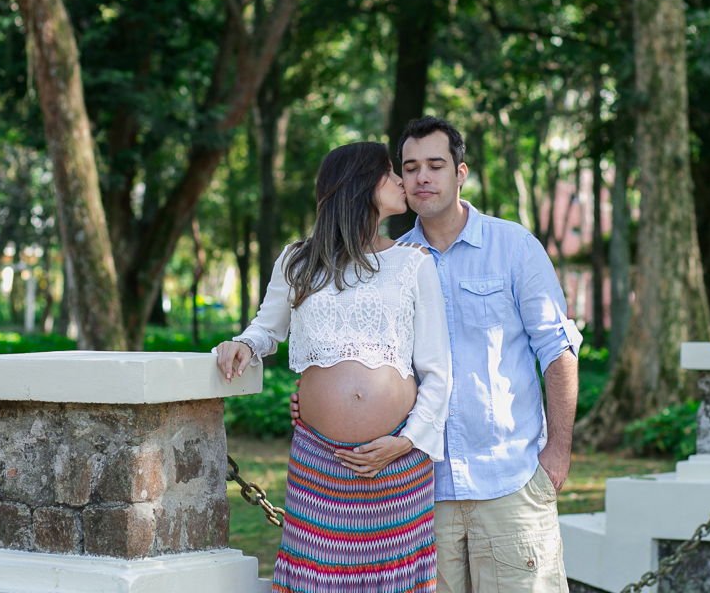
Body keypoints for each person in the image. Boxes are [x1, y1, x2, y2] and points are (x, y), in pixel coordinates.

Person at [293, 116, 582, 593]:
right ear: (399, 180)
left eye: (435, 165)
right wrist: (318, 400)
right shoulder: (391, 262)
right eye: (409, 168)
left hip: (510, 481)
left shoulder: (513, 247)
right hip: (423, 489)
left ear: (460, 172)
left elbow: (558, 351)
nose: (422, 177)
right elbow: (360, 350)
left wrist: (557, 454)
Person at [215, 141, 452, 593]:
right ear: (361, 184)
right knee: (314, 580)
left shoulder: (413, 264)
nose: (402, 181)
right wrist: (242, 344)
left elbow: (438, 371)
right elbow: (266, 329)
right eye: (390, 173)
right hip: (319, 461)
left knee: (396, 583)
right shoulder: (298, 260)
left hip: (397, 465)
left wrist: (404, 443)